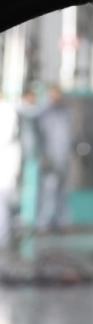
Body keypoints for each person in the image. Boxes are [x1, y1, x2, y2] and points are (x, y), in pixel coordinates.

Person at [19, 87, 73, 234]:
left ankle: (63, 222)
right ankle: (43, 223)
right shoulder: (42, 113)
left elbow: (68, 136)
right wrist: (43, 155)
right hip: (49, 158)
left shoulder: (65, 113)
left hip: (64, 159)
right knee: (48, 191)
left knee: (63, 192)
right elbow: (29, 116)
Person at [0, 96, 20, 250]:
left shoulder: (7, 111)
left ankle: (4, 242)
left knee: (4, 206)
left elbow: (5, 137)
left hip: (6, 171)